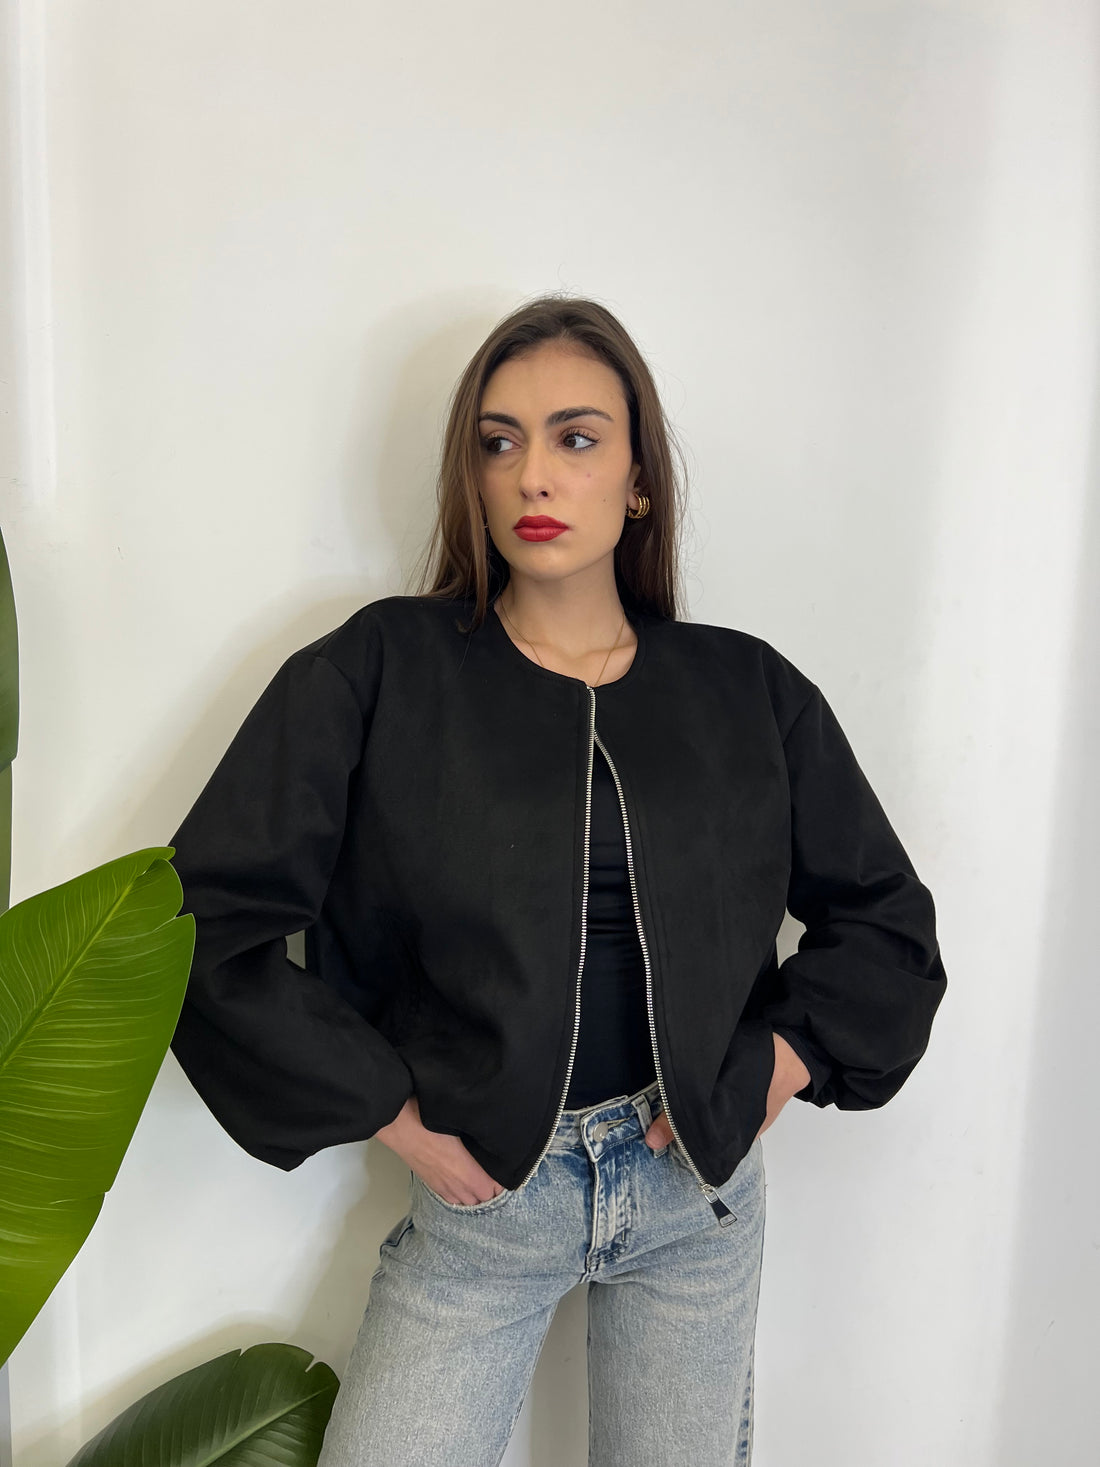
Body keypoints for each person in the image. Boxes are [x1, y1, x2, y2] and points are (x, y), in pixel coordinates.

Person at [167, 294, 947, 1466]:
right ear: (473, 478)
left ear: (636, 481)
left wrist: (775, 1068)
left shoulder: (743, 691)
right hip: (487, 1199)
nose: (533, 474)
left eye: (575, 438)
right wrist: (397, 1120)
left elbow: (884, 920)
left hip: (694, 1193)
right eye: (500, 442)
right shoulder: (381, 670)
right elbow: (202, 921)